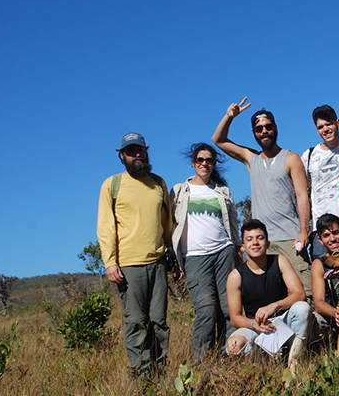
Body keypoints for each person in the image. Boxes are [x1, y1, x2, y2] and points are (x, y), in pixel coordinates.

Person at [213, 98, 312, 297]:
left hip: (290, 238)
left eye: (267, 127)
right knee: (274, 296)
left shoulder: (291, 158)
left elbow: (302, 195)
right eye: (259, 129)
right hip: (263, 243)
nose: (264, 131)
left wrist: (303, 231)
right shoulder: (252, 159)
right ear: (254, 133)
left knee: (304, 291)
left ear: (275, 128)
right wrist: (229, 117)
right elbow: (219, 140)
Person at [96, 132, 172, 377]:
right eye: (131, 151)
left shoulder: (159, 183)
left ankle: (159, 374)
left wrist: (173, 256)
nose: (136, 155)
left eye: (140, 150)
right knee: (136, 323)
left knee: (159, 322)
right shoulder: (112, 185)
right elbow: (105, 226)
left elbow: (167, 224)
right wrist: (110, 263)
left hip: (158, 263)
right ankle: (141, 380)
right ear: (122, 156)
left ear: (146, 151)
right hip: (128, 266)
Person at [170, 143, 242, 362]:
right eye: (200, 160)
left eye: (209, 160)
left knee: (229, 308)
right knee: (207, 310)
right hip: (194, 256)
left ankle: (232, 355)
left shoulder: (222, 191)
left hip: (224, 252)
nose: (204, 164)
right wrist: (175, 261)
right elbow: (171, 225)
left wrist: (238, 249)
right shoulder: (179, 191)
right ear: (193, 163)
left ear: (213, 164)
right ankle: (201, 364)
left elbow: (233, 223)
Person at [225, 219, 311, 370]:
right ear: (243, 247)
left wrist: (274, 306)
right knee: (234, 346)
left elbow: (299, 294)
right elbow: (235, 318)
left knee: (302, 308)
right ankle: (258, 367)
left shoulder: (279, 261)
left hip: (283, 321)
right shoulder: (235, 276)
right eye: (249, 239)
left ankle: (295, 361)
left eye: (260, 238)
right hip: (255, 326)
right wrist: (254, 324)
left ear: (268, 243)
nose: (255, 243)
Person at [301, 105, 339, 259]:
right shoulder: (309, 155)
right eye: (320, 127)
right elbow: (298, 190)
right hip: (321, 231)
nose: (325, 129)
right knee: (325, 277)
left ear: (338, 123)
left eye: (329, 124)